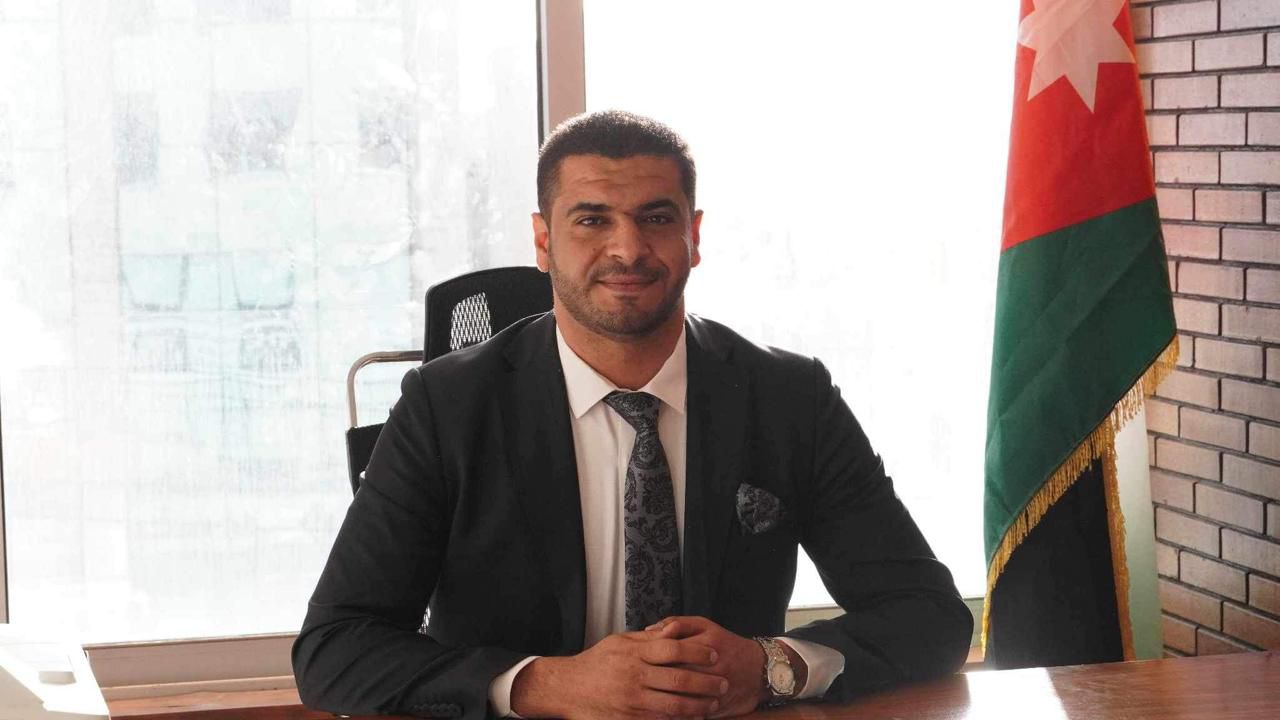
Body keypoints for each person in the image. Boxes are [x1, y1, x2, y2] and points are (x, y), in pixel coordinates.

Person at [293, 110, 972, 720]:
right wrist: (548, 685)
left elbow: (930, 615)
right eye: (592, 220)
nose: (627, 249)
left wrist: (772, 667)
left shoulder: (789, 397)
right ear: (542, 241)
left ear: (693, 235)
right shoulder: (446, 406)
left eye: (656, 218)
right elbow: (334, 647)